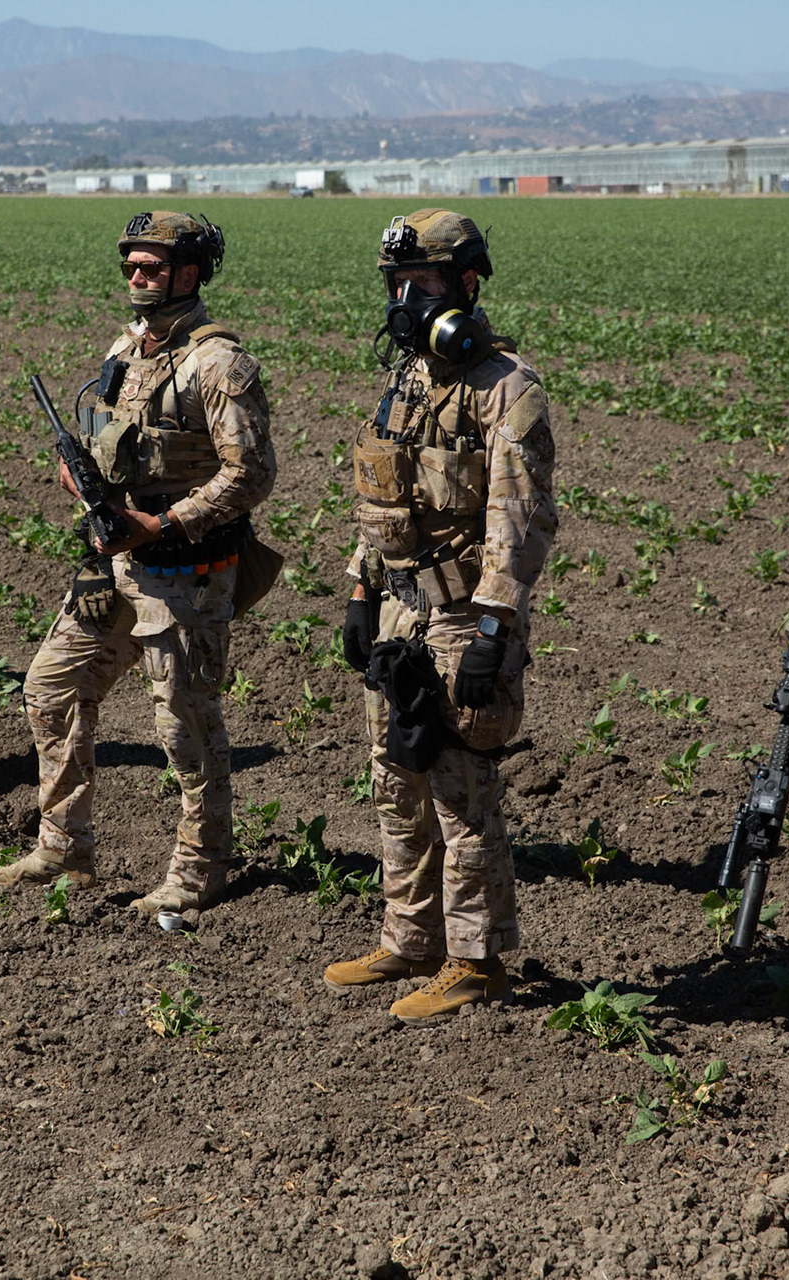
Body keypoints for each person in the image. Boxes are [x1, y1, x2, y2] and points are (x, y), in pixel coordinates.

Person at [0, 210, 276, 917]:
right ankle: (63, 846)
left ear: (191, 273)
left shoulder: (219, 363)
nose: (136, 278)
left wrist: (162, 521)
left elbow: (251, 475)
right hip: (112, 567)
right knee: (49, 690)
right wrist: (77, 471)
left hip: (186, 573)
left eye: (151, 267)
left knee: (184, 726)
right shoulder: (128, 348)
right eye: (130, 266)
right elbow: (109, 442)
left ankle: (200, 869)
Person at [324, 208, 556, 1022]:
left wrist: (494, 629)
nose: (404, 299)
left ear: (465, 284)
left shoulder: (507, 390)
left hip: (464, 620)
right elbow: (378, 503)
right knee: (396, 782)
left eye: (418, 282)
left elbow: (518, 523)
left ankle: (476, 959)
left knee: (462, 792)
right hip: (398, 613)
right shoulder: (404, 382)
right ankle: (410, 938)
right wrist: (359, 590)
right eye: (396, 283)